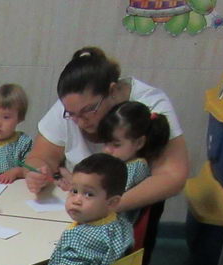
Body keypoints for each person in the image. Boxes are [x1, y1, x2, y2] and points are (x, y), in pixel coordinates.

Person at [24, 46, 188, 216]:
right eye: (72, 114)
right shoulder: (73, 105)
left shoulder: (150, 104)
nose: (80, 121)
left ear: (112, 91)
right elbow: (41, 157)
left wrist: (107, 207)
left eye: (89, 110)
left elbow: (172, 176)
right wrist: (36, 174)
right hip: (76, 207)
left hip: (123, 212)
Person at [22, 153, 133, 265]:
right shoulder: (119, 223)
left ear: (112, 202)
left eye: (88, 194)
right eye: (74, 191)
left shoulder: (83, 238)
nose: (76, 200)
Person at [97, 101, 172, 222]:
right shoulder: (121, 164)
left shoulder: (137, 167)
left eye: (116, 145)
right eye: (105, 143)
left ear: (139, 143)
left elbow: (110, 197)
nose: (107, 150)